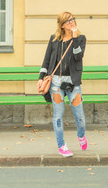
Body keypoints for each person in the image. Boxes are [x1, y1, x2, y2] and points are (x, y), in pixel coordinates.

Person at [37, 12, 87, 157]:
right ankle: (61, 146)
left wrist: (75, 37)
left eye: (73, 19)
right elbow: (46, 59)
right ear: (62, 25)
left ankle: (81, 135)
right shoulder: (54, 40)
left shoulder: (81, 38)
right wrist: (41, 77)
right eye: (68, 21)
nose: (72, 22)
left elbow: (78, 56)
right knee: (58, 116)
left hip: (73, 83)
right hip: (56, 83)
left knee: (80, 118)